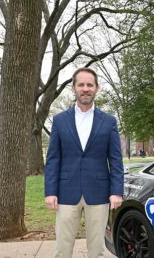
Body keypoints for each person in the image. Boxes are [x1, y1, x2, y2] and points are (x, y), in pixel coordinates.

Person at [44, 67, 124, 258]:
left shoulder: (109, 121)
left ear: (96, 88)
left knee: (96, 250)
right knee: (62, 250)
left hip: (99, 193)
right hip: (66, 192)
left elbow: (115, 159)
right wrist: (50, 192)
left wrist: (116, 191)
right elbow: (53, 158)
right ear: (74, 88)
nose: (85, 88)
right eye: (81, 84)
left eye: (90, 85)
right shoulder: (60, 120)